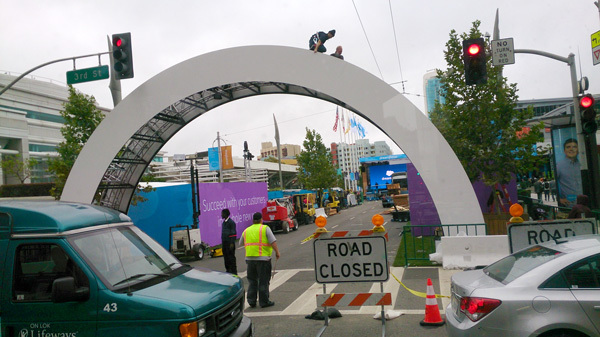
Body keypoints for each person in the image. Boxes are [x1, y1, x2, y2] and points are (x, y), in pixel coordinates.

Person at [239, 212, 280, 308]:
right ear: (261, 220)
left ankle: (251, 301)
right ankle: (264, 302)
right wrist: (277, 252)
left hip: (250, 259)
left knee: (252, 281)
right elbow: (272, 241)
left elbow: (240, 243)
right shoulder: (265, 228)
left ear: (253, 221)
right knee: (263, 280)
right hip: (263, 259)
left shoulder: (246, 230)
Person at [556, 138, 583, 207]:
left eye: (574, 147)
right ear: (564, 151)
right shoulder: (559, 166)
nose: (571, 149)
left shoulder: (582, 165)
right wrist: (560, 199)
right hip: (570, 207)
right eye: (568, 147)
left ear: (578, 150)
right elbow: (553, 184)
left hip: (585, 205)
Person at [221, 209, 237, 275]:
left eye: (222, 213)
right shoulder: (224, 223)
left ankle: (234, 271)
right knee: (226, 257)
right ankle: (228, 270)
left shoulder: (231, 222)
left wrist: (232, 242)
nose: (221, 215)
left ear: (226, 214)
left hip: (229, 243)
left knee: (231, 257)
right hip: (224, 243)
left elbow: (233, 233)